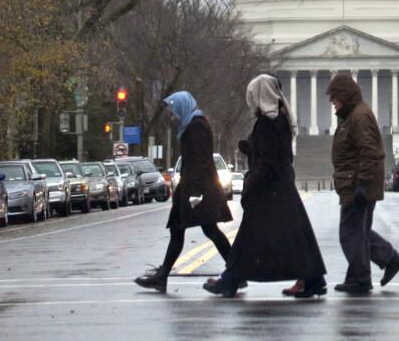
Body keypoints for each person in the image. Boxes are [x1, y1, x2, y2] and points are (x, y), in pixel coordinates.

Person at [203, 74, 327, 298]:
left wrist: (251, 184)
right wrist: (250, 149)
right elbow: (275, 153)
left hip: (269, 191)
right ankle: (313, 279)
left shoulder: (267, 122)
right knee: (294, 237)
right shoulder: (280, 119)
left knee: (248, 238)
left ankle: (231, 279)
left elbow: (267, 160)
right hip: (280, 188)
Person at [134, 91, 234, 294]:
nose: (172, 119)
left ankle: (236, 272)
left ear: (182, 107)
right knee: (183, 231)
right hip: (192, 186)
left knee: (206, 230)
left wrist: (196, 193)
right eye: (170, 115)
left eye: (173, 114)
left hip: (199, 188)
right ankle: (162, 277)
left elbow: (200, 161)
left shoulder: (196, 126)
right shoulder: (191, 125)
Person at [328, 73, 399, 294]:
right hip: (354, 181)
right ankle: (388, 260)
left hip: (357, 183)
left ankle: (361, 277)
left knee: (350, 232)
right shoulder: (352, 115)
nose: (333, 103)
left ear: (343, 95)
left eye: (334, 98)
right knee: (358, 231)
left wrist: (362, 184)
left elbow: (369, 152)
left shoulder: (359, 117)